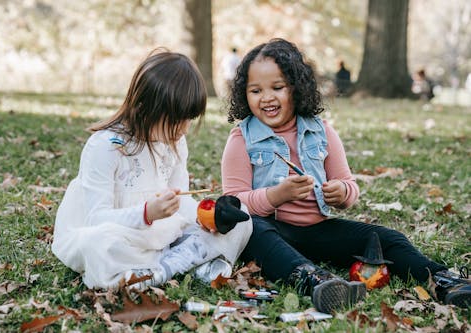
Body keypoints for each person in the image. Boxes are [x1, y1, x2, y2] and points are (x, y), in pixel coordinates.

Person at [221, 38, 470, 313]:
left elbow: (348, 185)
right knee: (254, 230)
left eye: (277, 88)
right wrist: (276, 196)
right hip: (273, 234)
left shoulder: (322, 132)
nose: (266, 97)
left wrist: (341, 192)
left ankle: (444, 281)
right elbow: (233, 204)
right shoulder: (241, 139)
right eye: (255, 90)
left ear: (297, 87)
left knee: (387, 238)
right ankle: (316, 281)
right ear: (244, 94)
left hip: (319, 231)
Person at [52, 50, 252, 290]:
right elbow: (96, 218)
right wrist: (146, 214)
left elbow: (181, 204)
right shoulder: (106, 147)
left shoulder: (175, 143)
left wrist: (207, 217)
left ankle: (157, 271)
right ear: (146, 107)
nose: (184, 130)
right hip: (121, 237)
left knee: (244, 218)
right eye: (177, 120)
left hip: (164, 236)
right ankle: (182, 264)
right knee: (98, 246)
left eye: (189, 119)